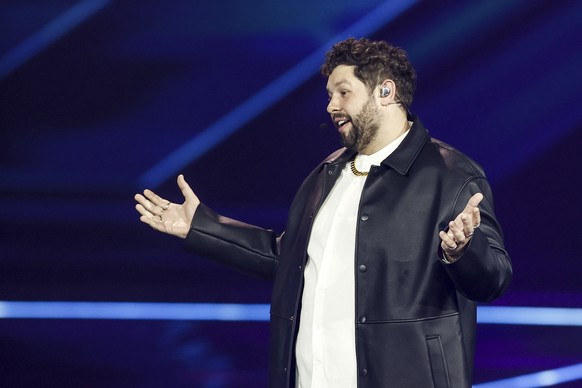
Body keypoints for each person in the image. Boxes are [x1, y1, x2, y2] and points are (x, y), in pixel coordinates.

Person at [135, 37, 512, 388]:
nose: (331, 106)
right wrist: (200, 227)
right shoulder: (328, 174)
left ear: (386, 91)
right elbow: (289, 260)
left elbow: (493, 279)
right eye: (330, 94)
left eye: (343, 92)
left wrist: (462, 251)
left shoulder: (451, 174)